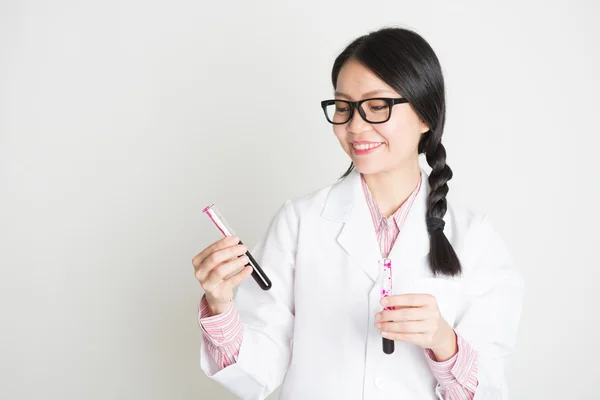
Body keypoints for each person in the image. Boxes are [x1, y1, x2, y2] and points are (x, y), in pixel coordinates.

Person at [192, 26, 524, 400]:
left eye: (377, 106)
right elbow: (256, 374)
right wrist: (220, 305)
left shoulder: (474, 238)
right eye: (344, 106)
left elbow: (489, 390)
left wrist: (443, 341)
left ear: (426, 115)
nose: (355, 126)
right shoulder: (300, 222)